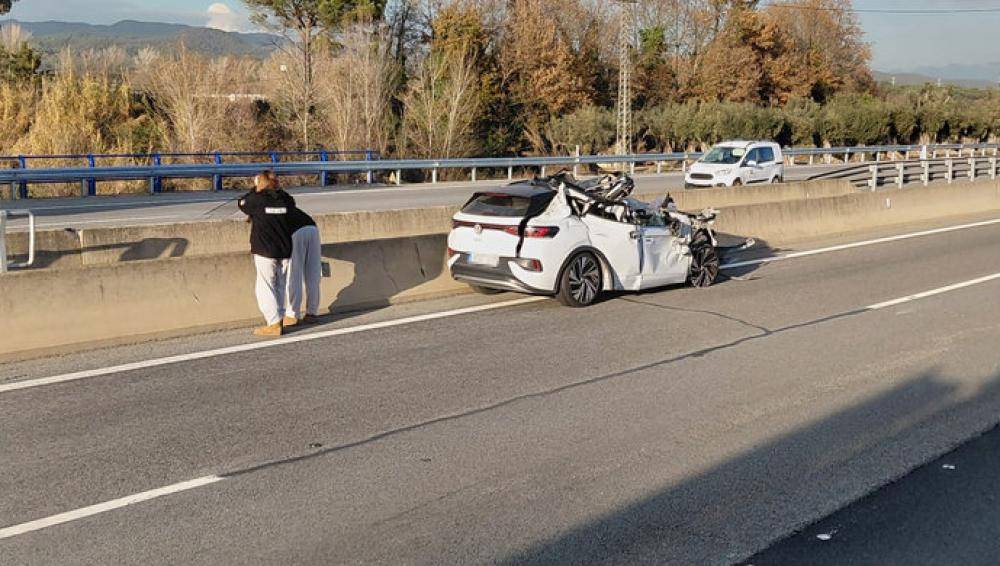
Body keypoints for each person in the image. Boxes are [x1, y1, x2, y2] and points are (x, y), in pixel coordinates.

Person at [238, 171, 295, 337]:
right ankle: (279, 318)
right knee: (279, 286)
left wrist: (255, 188)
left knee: (264, 287)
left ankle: (273, 322)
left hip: (265, 250)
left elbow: (242, 203)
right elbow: (291, 206)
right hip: (285, 249)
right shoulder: (286, 200)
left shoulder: (257, 200)